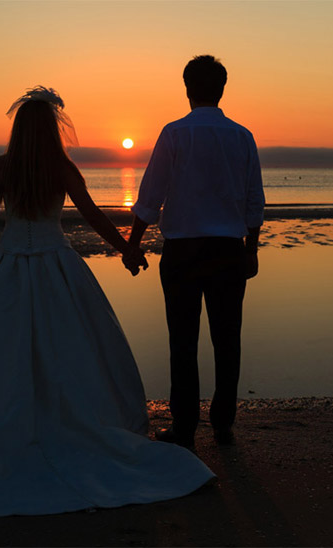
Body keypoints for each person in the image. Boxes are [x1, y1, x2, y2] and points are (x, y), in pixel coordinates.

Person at [0, 86, 215, 517]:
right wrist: (126, 248)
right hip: (56, 263)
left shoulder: (2, 168)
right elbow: (92, 214)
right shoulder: (61, 168)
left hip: (10, 263)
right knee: (71, 347)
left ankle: (3, 428)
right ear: (51, 130)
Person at [126, 55, 265, 449]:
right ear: (221, 89)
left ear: (187, 89)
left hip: (183, 253)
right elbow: (254, 200)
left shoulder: (174, 134)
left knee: (182, 340)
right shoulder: (241, 136)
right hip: (227, 250)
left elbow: (151, 197)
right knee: (227, 338)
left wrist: (133, 245)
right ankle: (223, 423)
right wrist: (251, 249)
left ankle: (185, 427)